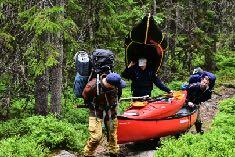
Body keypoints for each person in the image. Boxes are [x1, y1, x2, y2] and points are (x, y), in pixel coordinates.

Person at [82, 73, 126, 157]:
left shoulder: (116, 85)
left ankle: (114, 152)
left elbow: (118, 96)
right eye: (116, 86)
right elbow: (85, 97)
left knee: (112, 133)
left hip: (111, 110)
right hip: (96, 110)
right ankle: (88, 153)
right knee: (96, 137)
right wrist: (94, 105)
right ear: (110, 85)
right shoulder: (92, 87)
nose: (118, 87)